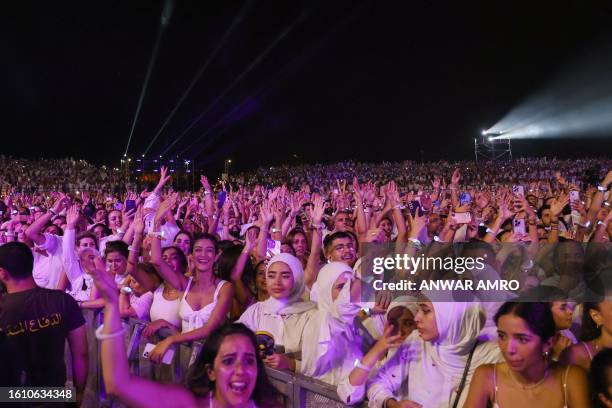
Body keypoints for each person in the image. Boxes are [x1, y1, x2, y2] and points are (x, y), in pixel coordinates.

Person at [88, 252, 282, 407]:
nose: (240, 370)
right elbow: (118, 384)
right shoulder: (187, 403)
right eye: (228, 360)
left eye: (249, 361)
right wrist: (112, 305)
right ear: (211, 371)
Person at [367, 299, 501, 408]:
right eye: (419, 310)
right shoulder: (417, 342)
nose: (417, 317)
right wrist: (393, 404)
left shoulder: (492, 358)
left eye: (426, 311)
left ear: (451, 317)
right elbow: (377, 383)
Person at [0, 242, 88, 403]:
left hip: (9, 397)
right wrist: (78, 394)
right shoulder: (62, 300)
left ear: (2, 273)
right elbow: (81, 354)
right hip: (55, 395)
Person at [465, 301, 589, 408]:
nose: (509, 349)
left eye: (522, 339)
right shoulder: (487, 376)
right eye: (502, 336)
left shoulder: (570, 378)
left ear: (547, 343)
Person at [238, 253, 316, 371]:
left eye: (285, 276)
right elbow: (235, 340)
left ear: (297, 279)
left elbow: (323, 366)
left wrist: (292, 364)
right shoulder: (257, 310)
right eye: (271, 276)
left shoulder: (311, 315)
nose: (277, 282)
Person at [300, 262, 364, 404]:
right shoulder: (319, 321)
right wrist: (361, 277)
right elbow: (341, 311)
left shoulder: (353, 324)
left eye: (349, 286)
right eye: (341, 287)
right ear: (325, 290)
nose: (346, 292)